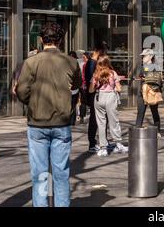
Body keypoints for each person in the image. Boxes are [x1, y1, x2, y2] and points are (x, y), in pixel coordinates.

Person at [16, 22, 81, 207]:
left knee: (40, 175)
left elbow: (21, 92)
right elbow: (76, 88)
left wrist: (34, 102)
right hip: (62, 122)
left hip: (37, 123)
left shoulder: (31, 62)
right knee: (61, 174)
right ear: (60, 40)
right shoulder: (71, 61)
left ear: (41, 39)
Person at [89, 56, 128, 157]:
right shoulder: (113, 73)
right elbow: (119, 89)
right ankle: (118, 144)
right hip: (110, 97)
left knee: (101, 123)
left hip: (99, 97)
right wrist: (115, 86)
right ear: (108, 63)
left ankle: (103, 148)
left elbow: (91, 90)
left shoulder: (96, 74)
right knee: (113, 121)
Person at [85, 42, 108, 152]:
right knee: (95, 119)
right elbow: (92, 79)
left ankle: (95, 142)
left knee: (96, 118)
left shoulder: (90, 62)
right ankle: (93, 143)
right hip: (95, 94)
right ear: (99, 51)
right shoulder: (93, 63)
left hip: (93, 94)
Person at [135, 49, 163, 138]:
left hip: (152, 92)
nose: (143, 57)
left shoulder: (156, 67)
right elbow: (140, 76)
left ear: (151, 56)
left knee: (154, 111)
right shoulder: (142, 66)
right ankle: (137, 130)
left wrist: (147, 78)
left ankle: (157, 131)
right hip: (142, 92)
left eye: (145, 56)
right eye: (142, 56)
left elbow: (159, 81)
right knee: (140, 111)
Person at [69, 51, 80, 126]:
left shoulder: (65, 65)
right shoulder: (76, 64)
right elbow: (79, 78)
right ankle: (72, 121)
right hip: (75, 89)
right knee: (73, 105)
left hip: (68, 89)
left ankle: (68, 120)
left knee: (68, 105)